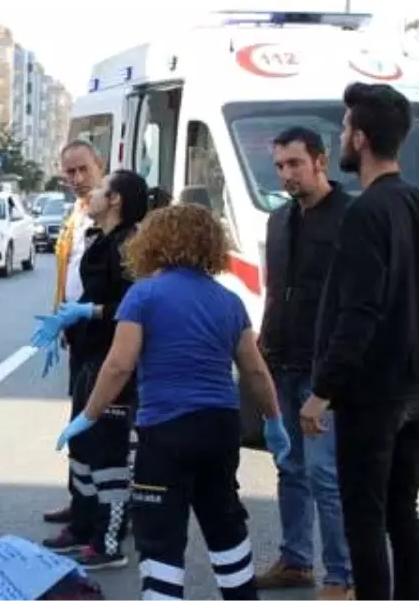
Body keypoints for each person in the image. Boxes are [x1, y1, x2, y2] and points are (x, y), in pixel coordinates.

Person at [57, 203, 290, 600]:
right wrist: (274, 421)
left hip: (165, 432)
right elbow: (254, 371)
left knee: (161, 540)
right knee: (224, 524)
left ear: (153, 243)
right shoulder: (228, 301)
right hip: (219, 428)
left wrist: (88, 416)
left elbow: (117, 366)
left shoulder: (143, 296)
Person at [305, 83, 419, 601]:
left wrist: (322, 389)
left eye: (346, 129)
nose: (341, 136)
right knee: (402, 513)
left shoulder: (364, 214)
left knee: (365, 521)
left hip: (375, 393)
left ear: (362, 139)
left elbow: (358, 312)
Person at [36, 170, 167, 570]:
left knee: (108, 452)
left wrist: (87, 311)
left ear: (114, 200)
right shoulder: (101, 238)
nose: (90, 195)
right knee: (83, 446)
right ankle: (82, 523)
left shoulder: (128, 244)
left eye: (99, 190)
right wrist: (68, 320)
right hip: (88, 353)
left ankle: (108, 542)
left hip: (112, 359)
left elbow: (133, 306)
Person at [254, 127, 354, 599]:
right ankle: (296, 561)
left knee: (324, 474)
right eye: (279, 166)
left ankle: (342, 576)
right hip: (281, 360)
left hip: (323, 367)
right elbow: (276, 291)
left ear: (321, 160)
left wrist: (336, 373)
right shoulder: (279, 220)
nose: (286, 174)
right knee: (289, 466)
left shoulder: (352, 217)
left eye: (294, 163)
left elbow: (359, 302)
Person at [43, 140, 106, 529]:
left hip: (103, 329)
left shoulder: (112, 211)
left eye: (84, 170)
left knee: (99, 424)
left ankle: (102, 512)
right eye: (70, 172)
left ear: (99, 165)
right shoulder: (78, 213)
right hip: (78, 330)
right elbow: (68, 270)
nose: (78, 179)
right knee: (79, 418)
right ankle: (80, 500)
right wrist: (59, 319)